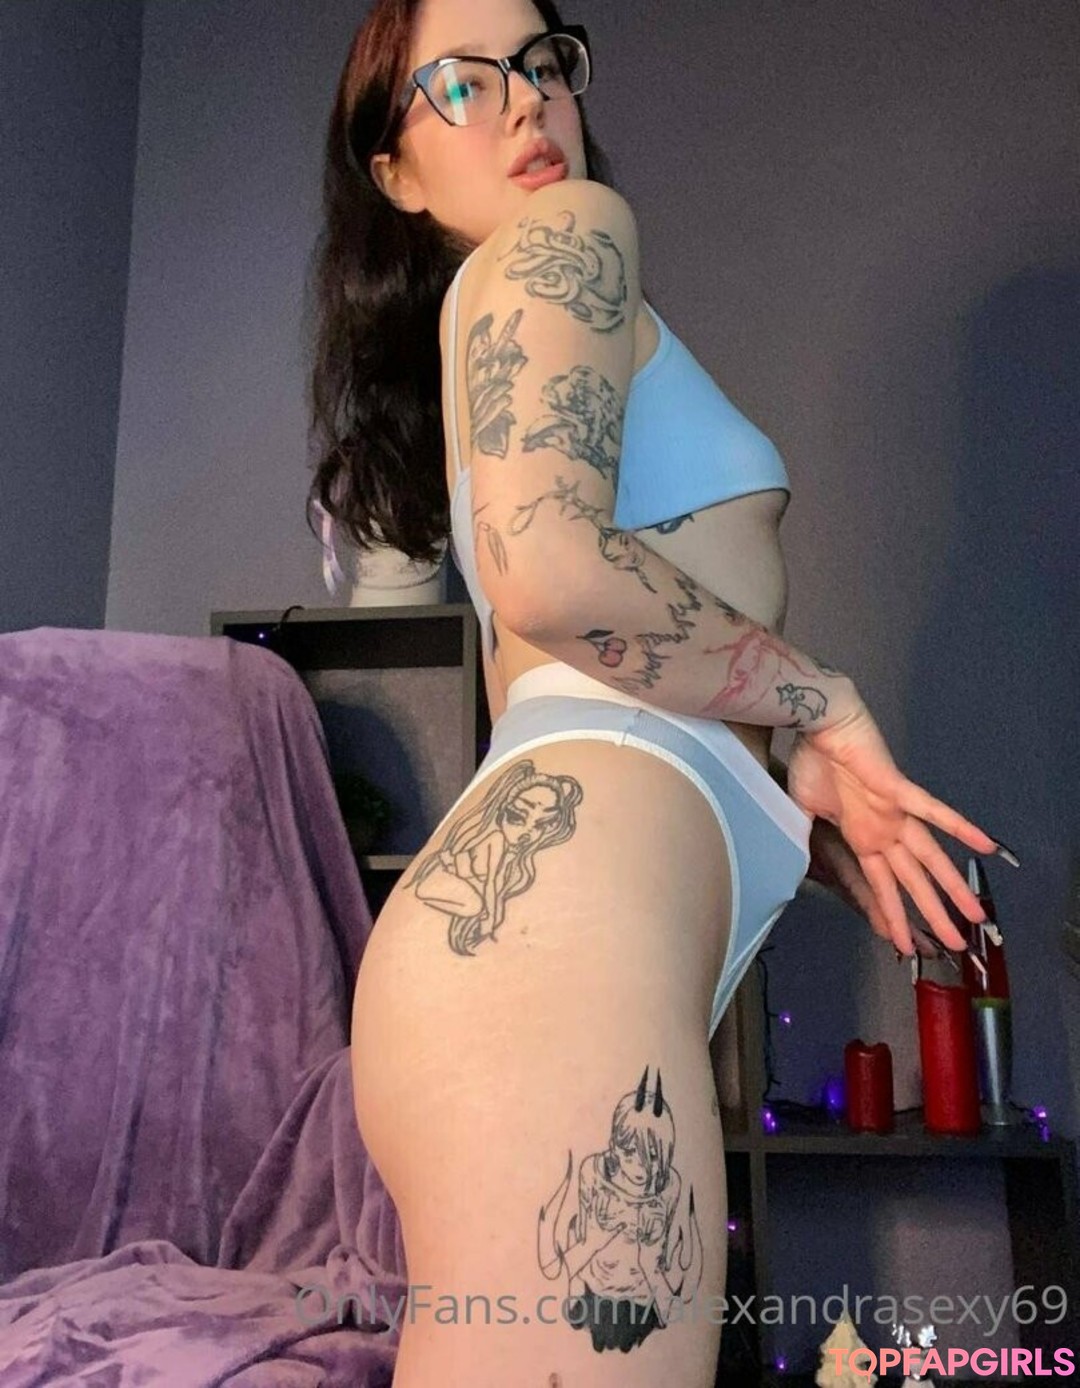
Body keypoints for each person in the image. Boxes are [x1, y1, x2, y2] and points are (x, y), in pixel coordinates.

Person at [306, 1, 1009, 1382]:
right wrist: (817, 700)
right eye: (463, 82)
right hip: (554, 970)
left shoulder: (504, 307)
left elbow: (599, 654)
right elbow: (552, 574)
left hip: (529, 960)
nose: (526, 99)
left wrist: (782, 794)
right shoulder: (573, 235)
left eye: (543, 61)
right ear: (394, 170)